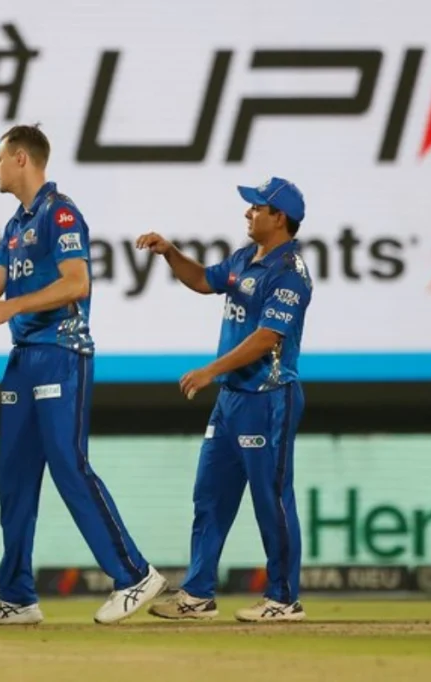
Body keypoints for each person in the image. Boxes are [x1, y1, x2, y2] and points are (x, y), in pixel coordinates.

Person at [0, 124, 166, 626]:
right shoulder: (15, 224)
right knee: (14, 478)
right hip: (24, 358)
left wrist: (11, 308)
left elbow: (76, 283)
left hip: (62, 352)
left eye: (0, 159)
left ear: (22, 159)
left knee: (68, 465)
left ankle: (135, 574)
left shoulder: (60, 212)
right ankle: (18, 597)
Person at [137, 177, 313, 622]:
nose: (248, 213)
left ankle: (283, 598)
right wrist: (170, 252)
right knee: (210, 497)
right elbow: (202, 280)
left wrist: (211, 370)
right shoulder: (244, 257)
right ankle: (197, 595)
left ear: (280, 218)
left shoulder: (289, 272)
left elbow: (267, 337)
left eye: (257, 207)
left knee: (271, 499)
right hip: (232, 400)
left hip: (269, 397)